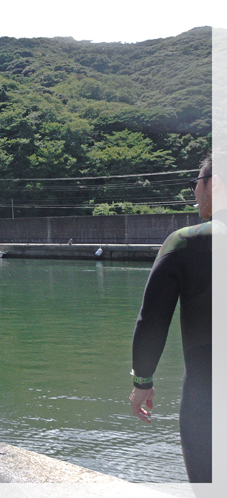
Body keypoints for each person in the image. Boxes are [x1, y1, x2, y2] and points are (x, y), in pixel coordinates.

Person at [129, 153, 216, 483]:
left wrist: (143, 382)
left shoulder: (186, 243)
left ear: (211, 186)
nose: (194, 193)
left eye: (195, 184)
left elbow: (151, 319)